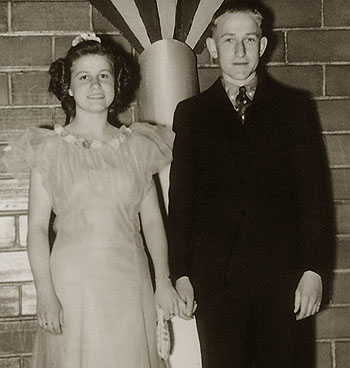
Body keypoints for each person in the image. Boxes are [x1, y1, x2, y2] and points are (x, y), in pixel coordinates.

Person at [168, 1, 334, 367]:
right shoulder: (192, 114)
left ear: (262, 46)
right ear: (212, 47)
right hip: (217, 284)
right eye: (229, 40)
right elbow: (181, 201)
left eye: (248, 40)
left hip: (284, 280)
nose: (239, 51)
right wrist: (179, 272)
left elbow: (314, 197)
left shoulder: (294, 108)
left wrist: (313, 270)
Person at [5, 33, 180, 368]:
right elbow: (38, 229)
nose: (95, 85)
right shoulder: (49, 149)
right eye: (83, 76)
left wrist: (163, 282)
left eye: (104, 75)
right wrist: (45, 294)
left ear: (117, 83)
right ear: (68, 87)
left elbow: (154, 221)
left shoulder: (137, 146)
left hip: (130, 282)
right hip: (73, 285)